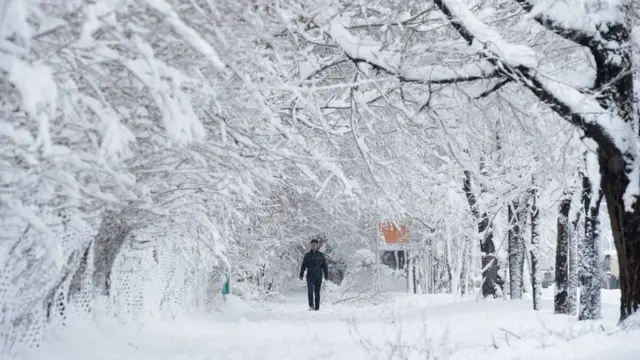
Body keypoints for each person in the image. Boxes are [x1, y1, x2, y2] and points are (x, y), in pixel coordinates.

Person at [299, 239, 329, 311]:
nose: (313, 246)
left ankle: (317, 307)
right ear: (310, 245)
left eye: (315, 245)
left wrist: (326, 276)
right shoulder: (307, 255)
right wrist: (301, 274)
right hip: (310, 277)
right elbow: (303, 266)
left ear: (317, 245)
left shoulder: (321, 255)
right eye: (312, 245)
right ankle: (311, 305)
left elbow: (325, 266)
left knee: (317, 292)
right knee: (310, 291)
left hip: (318, 276)